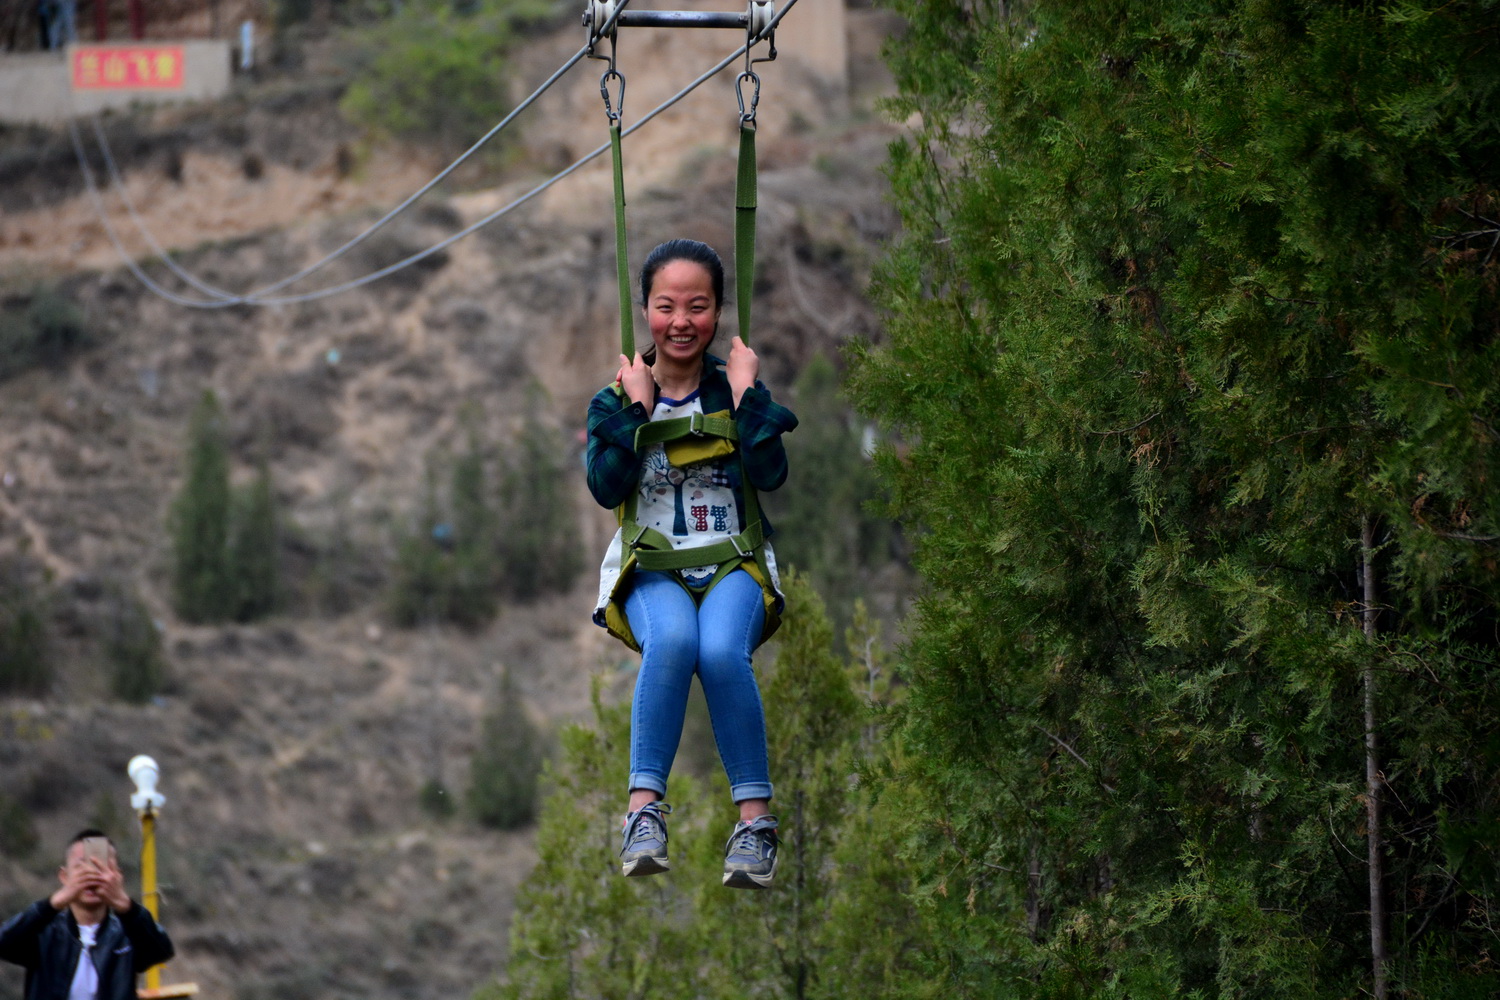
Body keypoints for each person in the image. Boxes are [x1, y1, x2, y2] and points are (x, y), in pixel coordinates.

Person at [586, 238, 798, 890]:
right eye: (666, 306)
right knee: (674, 641)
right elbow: (605, 487)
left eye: (697, 307)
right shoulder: (615, 401)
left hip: (732, 561)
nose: (681, 322)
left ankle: (755, 826)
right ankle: (643, 814)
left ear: (717, 313)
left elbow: (771, 472)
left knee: (722, 651)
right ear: (646, 310)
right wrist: (640, 409)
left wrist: (746, 396)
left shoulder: (734, 391)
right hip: (653, 568)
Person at [0, 829, 175, 1000]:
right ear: (64, 876)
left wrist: (126, 906)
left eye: (102, 868)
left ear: (117, 876)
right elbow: (4, 942)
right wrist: (54, 903)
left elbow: (160, 951)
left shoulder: (127, 934)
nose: (91, 877)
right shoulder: (44, 932)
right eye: (81, 868)